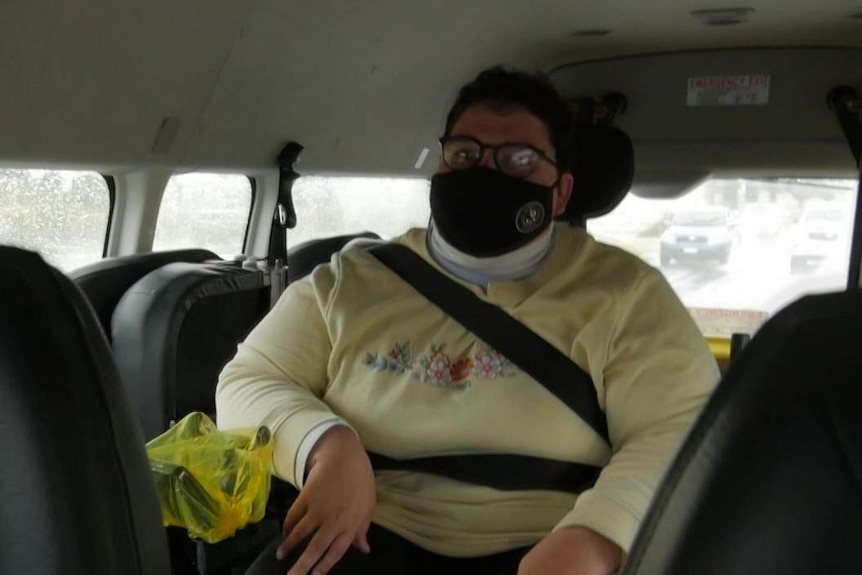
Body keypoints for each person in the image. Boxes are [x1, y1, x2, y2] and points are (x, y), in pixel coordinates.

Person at [216, 66, 719, 575]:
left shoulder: (628, 295)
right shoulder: (350, 282)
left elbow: (678, 431)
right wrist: (324, 446)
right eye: (465, 154)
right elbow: (247, 380)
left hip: (549, 545)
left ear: (560, 193)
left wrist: (597, 538)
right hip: (362, 536)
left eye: (518, 160)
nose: (485, 171)